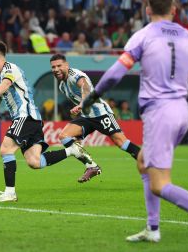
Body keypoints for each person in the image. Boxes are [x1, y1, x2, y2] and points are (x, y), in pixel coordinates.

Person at [81, 0, 188, 247]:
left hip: (160, 113)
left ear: (147, 10)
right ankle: (152, 228)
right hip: (182, 111)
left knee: (160, 184)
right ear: (174, 10)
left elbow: (116, 75)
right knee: (142, 162)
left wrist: (93, 97)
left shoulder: (143, 36)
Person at [0, 40, 90, 203]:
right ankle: (72, 151)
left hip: (25, 116)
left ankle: (10, 192)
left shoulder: (10, 68)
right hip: (33, 120)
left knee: (6, 149)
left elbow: (7, 82)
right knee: (34, 162)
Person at [50, 54, 141, 183]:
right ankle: (91, 166)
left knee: (121, 142)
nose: (56, 69)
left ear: (66, 65)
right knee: (64, 136)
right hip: (86, 117)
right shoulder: (62, 86)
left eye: (59, 65)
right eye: (53, 67)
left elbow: (85, 87)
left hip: (101, 113)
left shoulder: (74, 74)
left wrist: (82, 104)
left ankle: (148, 162)